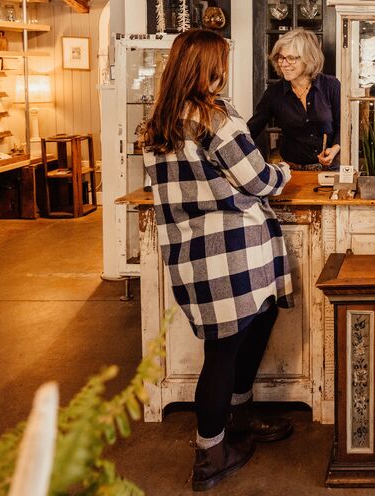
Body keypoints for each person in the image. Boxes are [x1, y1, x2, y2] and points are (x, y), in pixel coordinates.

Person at [141, 30, 294, 491]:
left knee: (257, 322)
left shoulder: (157, 122)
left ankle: (240, 413)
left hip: (190, 253)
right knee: (223, 352)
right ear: (210, 67)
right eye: (221, 62)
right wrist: (284, 171)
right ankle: (210, 454)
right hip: (233, 253)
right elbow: (260, 180)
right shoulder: (215, 118)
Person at [249, 28, 341, 170]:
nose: (284, 64)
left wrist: (335, 148)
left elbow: (344, 125)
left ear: (309, 58)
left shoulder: (331, 85)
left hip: (329, 171)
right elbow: (251, 130)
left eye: (291, 58)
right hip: (292, 172)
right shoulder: (274, 93)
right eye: (281, 57)